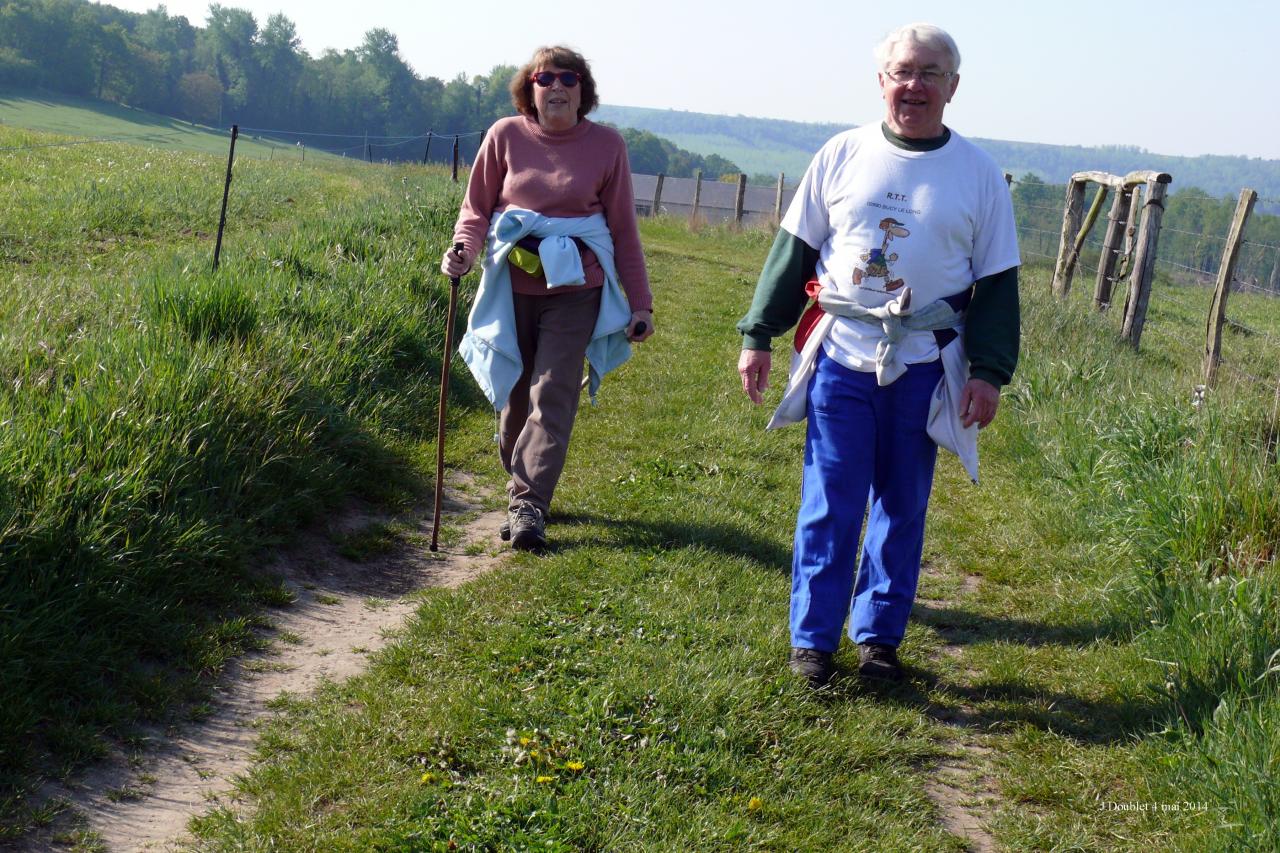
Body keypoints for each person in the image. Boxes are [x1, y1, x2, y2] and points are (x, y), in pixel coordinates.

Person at [736, 23, 1020, 687]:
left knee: (902, 502)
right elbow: (794, 253)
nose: (914, 85)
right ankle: (813, 641)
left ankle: (879, 638)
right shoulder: (842, 155)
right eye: (902, 72)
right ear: (882, 81)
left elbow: (999, 284)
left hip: (923, 363)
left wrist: (989, 371)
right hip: (843, 356)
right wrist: (759, 333)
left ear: (953, 87)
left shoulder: (978, 175)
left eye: (929, 74)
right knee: (831, 500)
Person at [442, 45, 654, 552]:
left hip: (578, 287)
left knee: (554, 391)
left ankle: (528, 504)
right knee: (516, 397)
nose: (556, 87)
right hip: (510, 284)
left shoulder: (608, 146)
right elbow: (476, 210)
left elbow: (624, 229)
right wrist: (463, 253)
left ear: (583, 91)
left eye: (568, 78)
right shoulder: (505, 135)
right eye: (545, 79)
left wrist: (641, 303)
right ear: (529, 90)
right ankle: (523, 482)